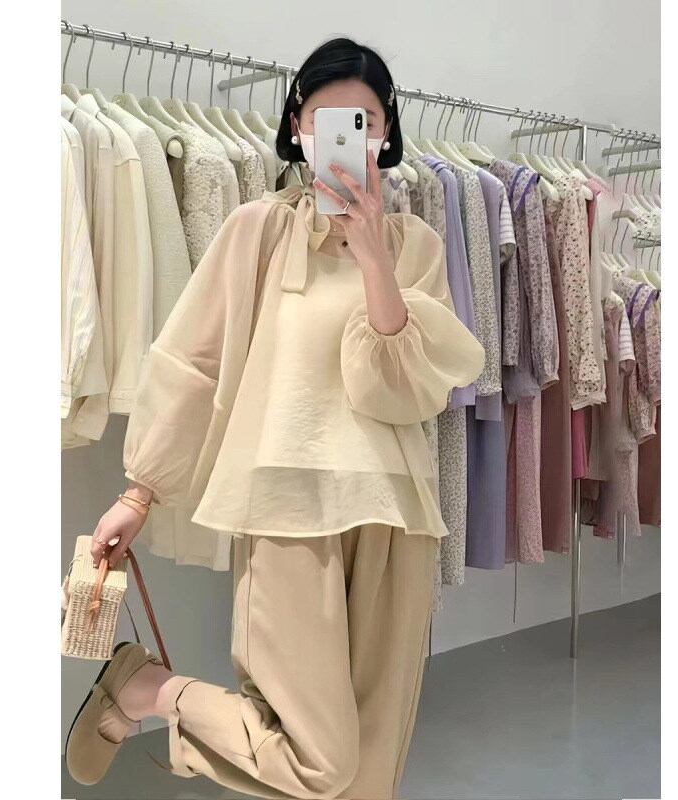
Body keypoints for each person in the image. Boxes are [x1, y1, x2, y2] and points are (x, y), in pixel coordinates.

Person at [65, 36, 485, 800]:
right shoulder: (256, 229)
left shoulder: (415, 246)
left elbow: (403, 392)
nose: (345, 138)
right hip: (285, 513)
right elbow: (192, 361)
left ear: (386, 133)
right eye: (326, 121)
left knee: (370, 776)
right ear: (297, 127)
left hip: (395, 517)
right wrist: (139, 491)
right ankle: (146, 690)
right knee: (319, 763)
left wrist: (374, 259)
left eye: (364, 122)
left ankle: (145, 693)